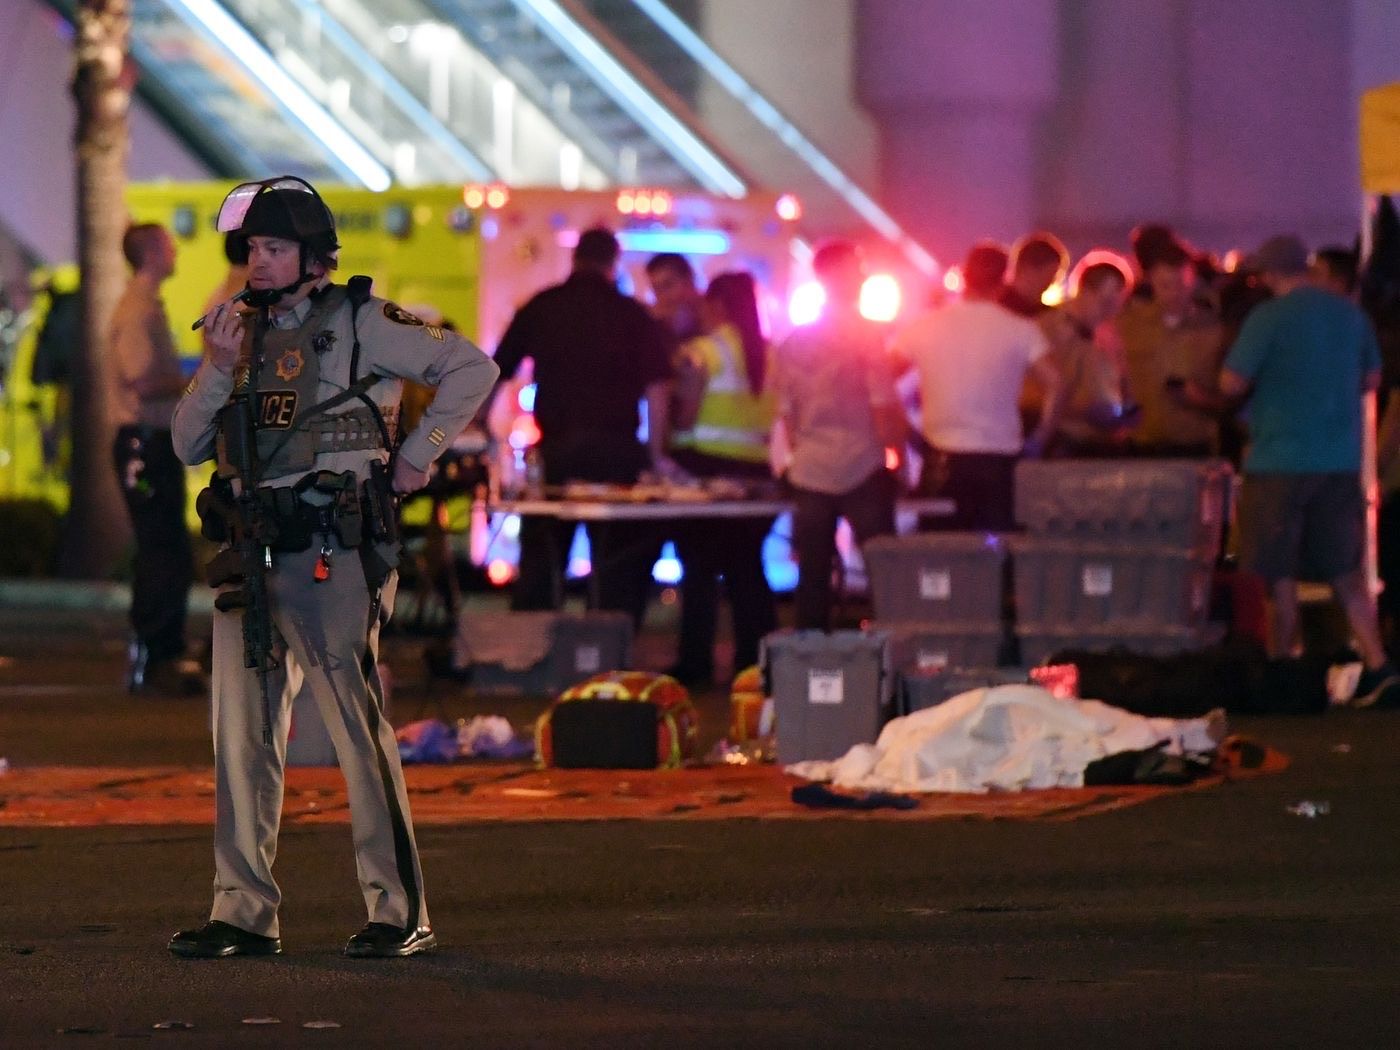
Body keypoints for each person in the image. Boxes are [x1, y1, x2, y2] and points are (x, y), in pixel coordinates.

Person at [168, 176, 499, 958]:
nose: (259, 261)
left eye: (276, 248)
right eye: (252, 247)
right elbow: (186, 444)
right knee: (241, 734)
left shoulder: (358, 320)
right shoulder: (235, 334)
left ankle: (398, 911)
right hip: (251, 551)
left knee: (357, 728)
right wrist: (216, 366)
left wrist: (418, 457)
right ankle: (242, 913)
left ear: (314, 256)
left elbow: (471, 369)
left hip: (332, 550)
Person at [1220, 233, 1398, 705]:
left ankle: (1285, 665)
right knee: (1346, 569)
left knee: (1277, 570)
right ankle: (1379, 665)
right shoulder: (1349, 314)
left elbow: (1232, 380)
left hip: (1278, 460)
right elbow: (1371, 378)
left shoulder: (1267, 318)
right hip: (1339, 462)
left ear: (1268, 275)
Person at [493, 228, 678, 625]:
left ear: (575, 259)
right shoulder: (631, 313)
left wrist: (475, 432)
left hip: (558, 453)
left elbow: (496, 369)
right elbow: (659, 387)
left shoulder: (544, 306)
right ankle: (608, 649)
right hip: (618, 455)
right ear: (614, 263)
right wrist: (657, 452)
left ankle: (533, 649)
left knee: (544, 557)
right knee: (617, 565)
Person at [770, 241, 904, 630]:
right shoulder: (866, 337)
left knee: (812, 576)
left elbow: (787, 416)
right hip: (862, 465)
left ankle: (808, 660)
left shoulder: (793, 342)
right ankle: (887, 655)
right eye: (856, 268)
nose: (862, 275)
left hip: (810, 471)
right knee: (884, 572)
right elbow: (884, 407)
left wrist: (797, 456)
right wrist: (899, 459)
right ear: (838, 276)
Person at [892, 241, 1062, 530]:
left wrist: (907, 433)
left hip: (941, 459)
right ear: (1003, 279)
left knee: (941, 557)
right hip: (1000, 459)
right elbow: (1057, 383)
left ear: (964, 276)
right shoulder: (1020, 329)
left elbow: (884, 381)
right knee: (996, 552)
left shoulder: (923, 327)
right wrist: (1040, 437)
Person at [666, 271, 778, 682]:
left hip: (706, 469)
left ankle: (695, 663)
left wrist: (669, 441)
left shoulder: (702, 352)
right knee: (748, 567)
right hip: (758, 471)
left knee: (699, 569)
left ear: (717, 306)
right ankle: (758, 663)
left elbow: (687, 412)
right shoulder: (769, 352)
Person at [108, 223, 197, 694]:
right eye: (167, 243)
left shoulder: (146, 306)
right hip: (145, 442)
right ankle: (158, 653)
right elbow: (141, 381)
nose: (175, 250)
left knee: (164, 548)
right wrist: (195, 377)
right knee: (162, 548)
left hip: (151, 441)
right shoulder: (139, 309)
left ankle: (160, 650)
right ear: (149, 253)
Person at [1118, 236, 1224, 456]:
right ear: (1151, 282)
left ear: (1193, 281)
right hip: (1140, 447)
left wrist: (1202, 399)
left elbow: (1231, 397)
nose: (1174, 293)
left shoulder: (1215, 330)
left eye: (1180, 285)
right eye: (1165, 285)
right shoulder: (1129, 325)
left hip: (1194, 448)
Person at [1033, 255, 1136, 455]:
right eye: (1106, 302)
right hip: (1062, 444)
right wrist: (1084, 412)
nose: (1111, 312)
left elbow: (1123, 382)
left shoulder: (1109, 334)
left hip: (1104, 445)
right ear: (1084, 292)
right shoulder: (1046, 328)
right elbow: (1037, 395)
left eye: (1117, 304)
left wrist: (1127, 411)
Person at [998, 231, 1069, 319]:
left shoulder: (993, 304)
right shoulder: (1046, 319)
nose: (1051, 283)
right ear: (1029, 269)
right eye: (1050, 276)